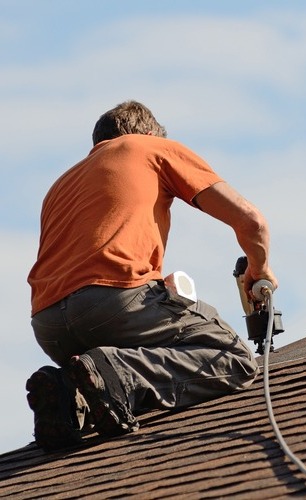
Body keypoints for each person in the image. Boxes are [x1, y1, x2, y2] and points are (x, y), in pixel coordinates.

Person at [26, 100, 278, 451]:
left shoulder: (61, 184)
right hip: (114, 302)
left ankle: (70, 397)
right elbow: (252, 222)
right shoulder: (149, 148)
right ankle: (117, 373)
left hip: (49, 325)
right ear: (147, 133)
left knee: (100, 374)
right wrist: (259, 268)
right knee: (233, 358)